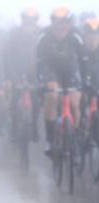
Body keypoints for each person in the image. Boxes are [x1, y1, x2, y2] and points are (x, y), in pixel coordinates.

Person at [36, 7, 86, 155]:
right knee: (52, 97)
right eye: (57, 23)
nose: (61, 27)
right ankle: (50, 140)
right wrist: (41, 81)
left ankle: (75, 139)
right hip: (50, 71)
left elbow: (84, 61)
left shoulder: (76, 36)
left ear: (70, 24)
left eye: (65, 23)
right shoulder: (44, 36)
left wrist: (84, 82)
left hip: (71, 72)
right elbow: (39, 62)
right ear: (52, 23)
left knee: (75, 103)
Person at [4, 7, 41, 142]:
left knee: (37, 101)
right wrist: (10, 77)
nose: (29, 24)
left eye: (32, 21)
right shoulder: (14, 34)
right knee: (14, 99)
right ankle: (14, 128)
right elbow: (7, 57)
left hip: (35, 73)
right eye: (27, 21)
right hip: (16, 72)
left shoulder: (40, 34)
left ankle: (34, 126)